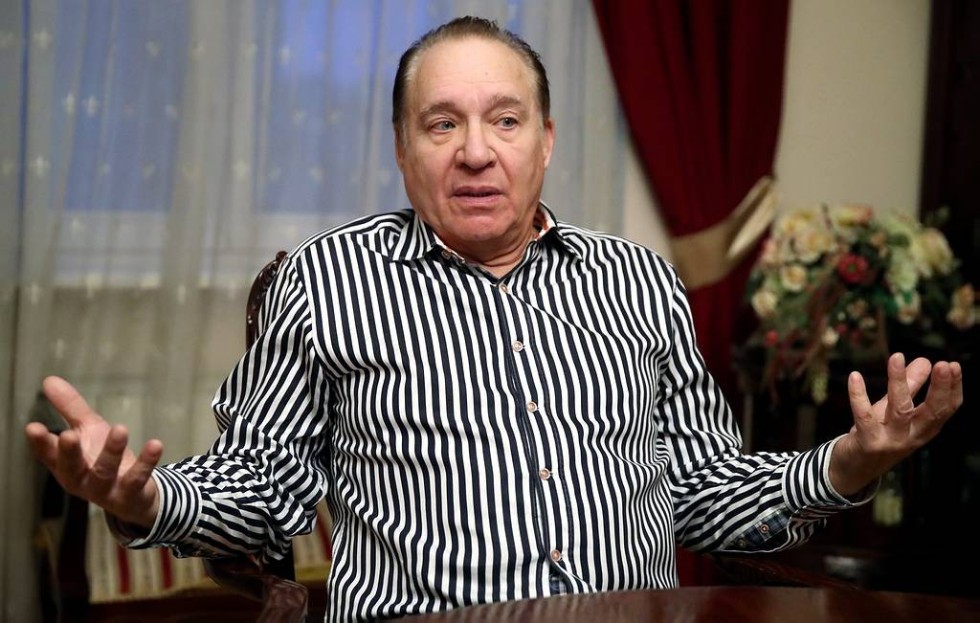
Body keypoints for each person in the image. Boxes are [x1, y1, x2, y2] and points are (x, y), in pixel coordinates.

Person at [25, 16, 963, 623]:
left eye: (505, 120)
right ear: (403, 150)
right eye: (442, 124)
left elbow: (706, 489)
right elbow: (261, 490)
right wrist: (142, 496)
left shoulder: (640, 278)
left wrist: (851, 461)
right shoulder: (325, 280)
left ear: (545, 143)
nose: (476, 151)